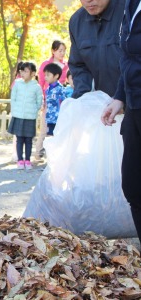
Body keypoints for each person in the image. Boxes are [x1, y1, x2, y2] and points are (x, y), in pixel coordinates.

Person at [101, 0, 141, 243]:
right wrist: (120, 97)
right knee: (133, 186)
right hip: (135, 106)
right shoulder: (130, 5)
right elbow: (127, 57)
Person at [68, 0, 125, 99]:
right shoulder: (76, 21)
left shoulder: (130, 12)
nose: (88, 0)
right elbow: (79, 66)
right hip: (103, 106)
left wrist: (122, 99)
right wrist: (83, 99)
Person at [35, 40, 69, 159]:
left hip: (59, 102)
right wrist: (44, 100)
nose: (62, 53)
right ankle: (38, 153)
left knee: (57, 130)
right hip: (48, 100)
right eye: (60, 50)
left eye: (64, 50)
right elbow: (41, 82)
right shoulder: (46, 64)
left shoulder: (66, 65)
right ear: (53, 51)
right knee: (45, 128)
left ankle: (54, 156)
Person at [8, 62, 43, 170]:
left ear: (33, 73)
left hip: (30, 117)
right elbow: (13, 98)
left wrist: (33, 111)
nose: (22, 73)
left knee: (28, 140)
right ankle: (20, 160)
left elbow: (39, 101)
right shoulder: (17, 84)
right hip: (18, 115)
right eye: (21, 71)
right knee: (19, 139)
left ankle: (27, 160)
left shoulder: (36, 87)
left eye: (26, 71)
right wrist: (15, 110)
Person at [44, 63, 66, 136]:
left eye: (48, 75)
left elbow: (64, 103)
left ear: (56, 76)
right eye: (45, 75)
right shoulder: (48, 89)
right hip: (50, 118)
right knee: (50, 137)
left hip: (58, 119)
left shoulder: (60, 89)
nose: (45, 77)